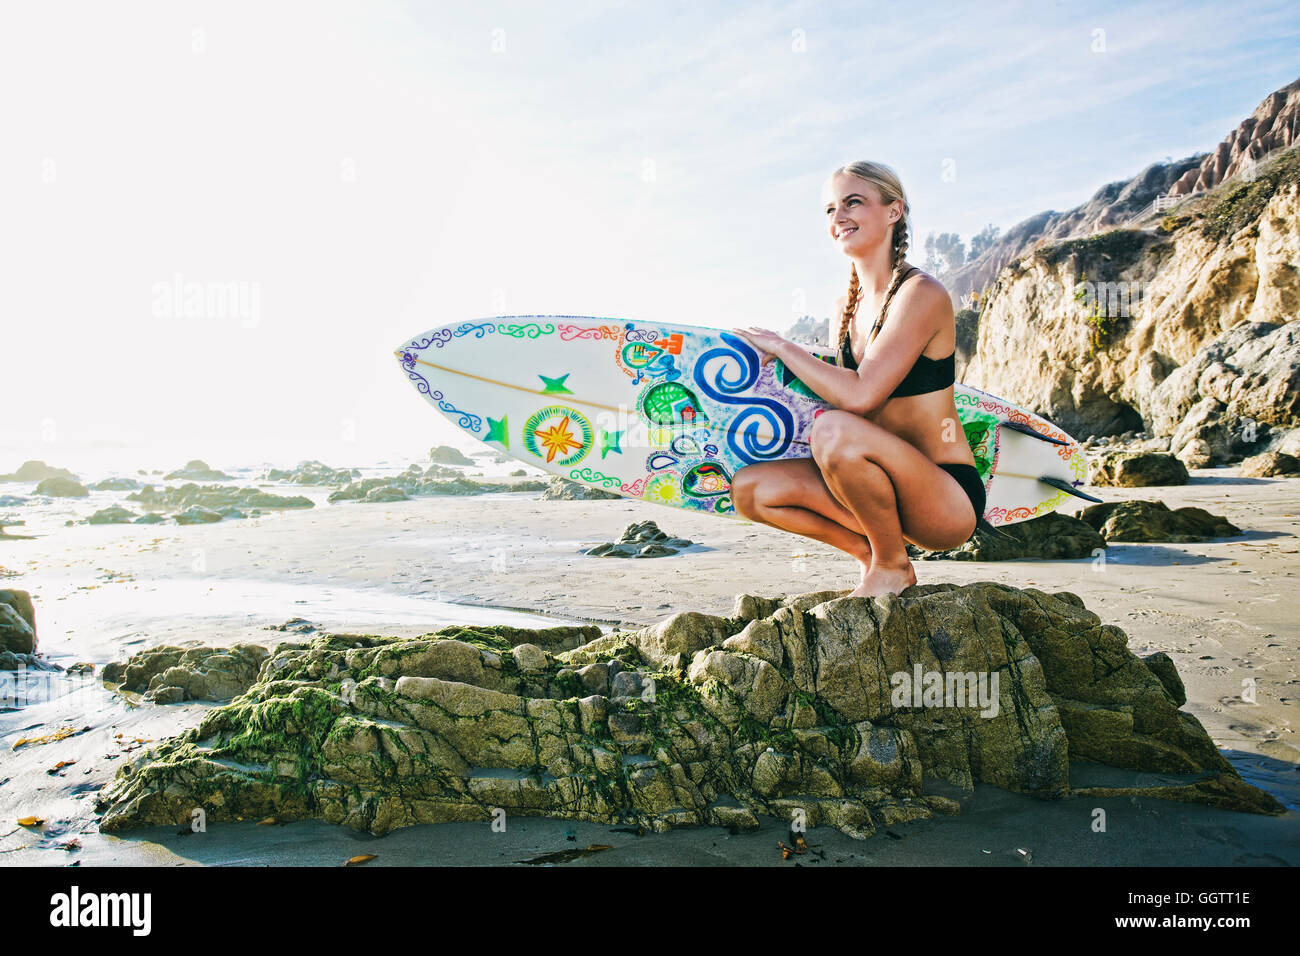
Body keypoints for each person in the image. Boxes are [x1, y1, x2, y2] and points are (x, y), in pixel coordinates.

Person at [732, 160, 985, 599]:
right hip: (872, 495)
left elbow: (861, 396)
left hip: (943, 498)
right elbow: (834, 398)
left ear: (893, 211)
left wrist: (784, 347)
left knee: (836, 430)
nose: (839, 217)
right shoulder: (845, 307)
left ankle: (891, 565)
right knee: (751, 490)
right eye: (830, 209)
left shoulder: (921, 293)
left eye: (853, 203)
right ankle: (874, 556)